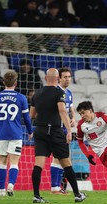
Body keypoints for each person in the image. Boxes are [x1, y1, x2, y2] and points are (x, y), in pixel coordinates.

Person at [30, 68, 86, 203]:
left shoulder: (36, 94)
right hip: (55, 131)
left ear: (45, 79)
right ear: (57, 79)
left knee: (38, 165)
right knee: (66, 162)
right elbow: (62, 111)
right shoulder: (60, 92)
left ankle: (36, 196)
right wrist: (69, 130)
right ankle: (78, 194)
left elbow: (32, 115)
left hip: (40, 130)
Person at [0, 71, 33, 197]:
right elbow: (26, 118)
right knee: (14, 162)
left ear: (3, 82)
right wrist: (30, 131)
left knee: (2, 161)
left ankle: (1, 190)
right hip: (16, 133)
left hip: (2, 134)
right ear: (16, 83)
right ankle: (11, 184)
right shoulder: (21, 98)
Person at [49, 67, 75, 195]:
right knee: (58, 158)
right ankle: (55, 188)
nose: (67, 79)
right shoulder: (55, 92)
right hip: (57, 129)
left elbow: (70, 108)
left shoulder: (69, 93)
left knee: (61, 158)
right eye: (65, 77)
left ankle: (57, 187)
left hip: (65, 129)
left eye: (69, 77)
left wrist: (73, 118)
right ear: (59, 78)